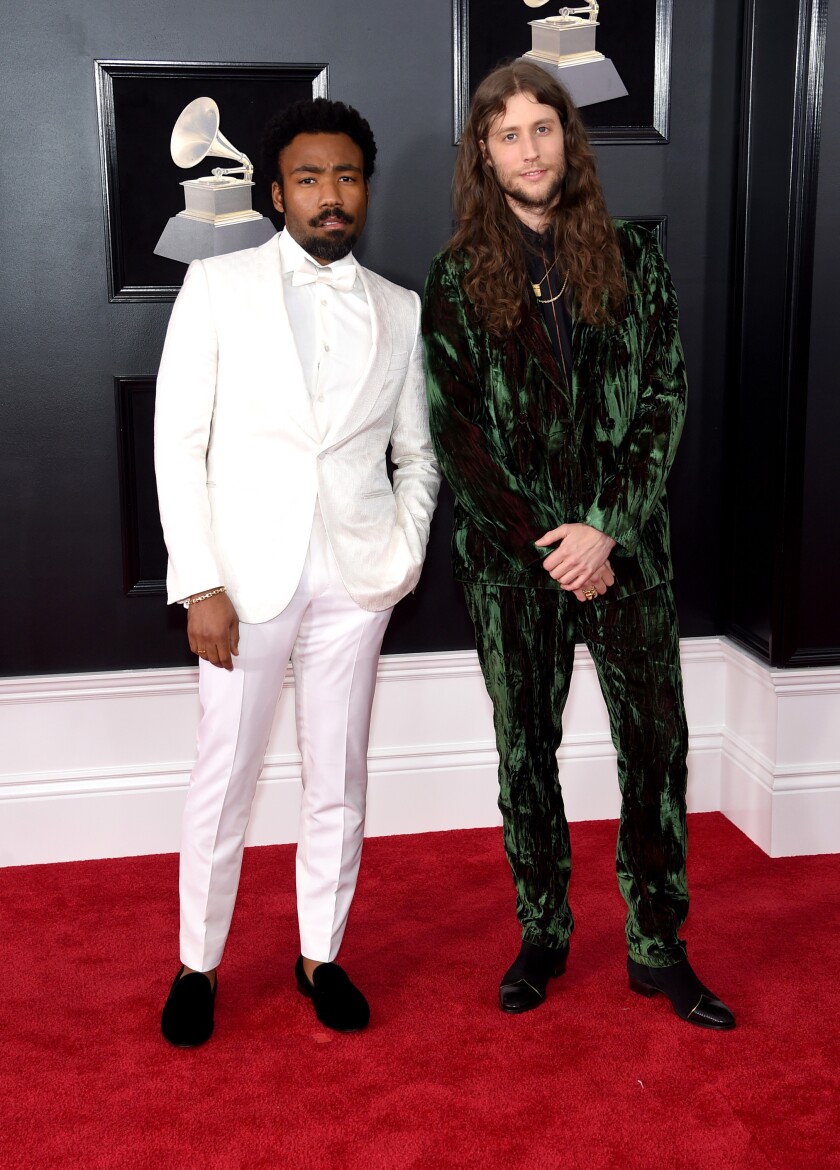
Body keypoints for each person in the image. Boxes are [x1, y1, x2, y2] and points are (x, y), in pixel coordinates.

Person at [422, 61, 734, 1030]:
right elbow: (457, 436)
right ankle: (543, 933)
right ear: (485, 152)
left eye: (542, 129)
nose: (528, 149)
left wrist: (605, 528)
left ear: (569, 138)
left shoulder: (634, 258)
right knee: (527, 753)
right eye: (507, 134)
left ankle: (656, 945)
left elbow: (664, 400)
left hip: (628, 549)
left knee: (656, 749)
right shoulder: (454, 278)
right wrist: (550, 547)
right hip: (514, 568)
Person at [154, 97, 440, 1045]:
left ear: (365, 190)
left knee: (339, 778)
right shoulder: (217, 288)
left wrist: (400, 559)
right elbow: (177, 442)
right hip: (240, 581)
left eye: (347, 178)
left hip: (356, 581)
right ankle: (198, 963)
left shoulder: (401, 310)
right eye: (311, 179)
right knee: (223, 776)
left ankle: (321, 954)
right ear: (276, 194)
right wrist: (199, 582)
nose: (331, 196)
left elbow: (419, 455)